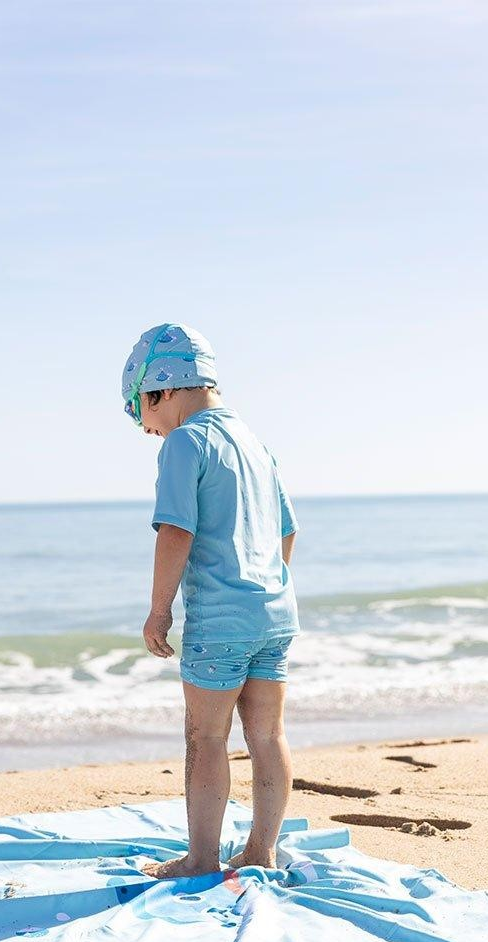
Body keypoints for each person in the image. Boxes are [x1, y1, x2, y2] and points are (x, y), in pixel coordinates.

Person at [121, 323, 300, 879]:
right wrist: (262, 588)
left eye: (139, 414)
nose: (146, 429)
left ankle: (201, 859)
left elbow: (175, 531)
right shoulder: (254, 442)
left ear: (160, 390)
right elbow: (288, 531)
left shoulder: (186, 441)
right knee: (267, 735)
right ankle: (260, 851)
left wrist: (158, 610)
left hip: (220, 620)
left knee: (205, 737)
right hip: (275, 612)